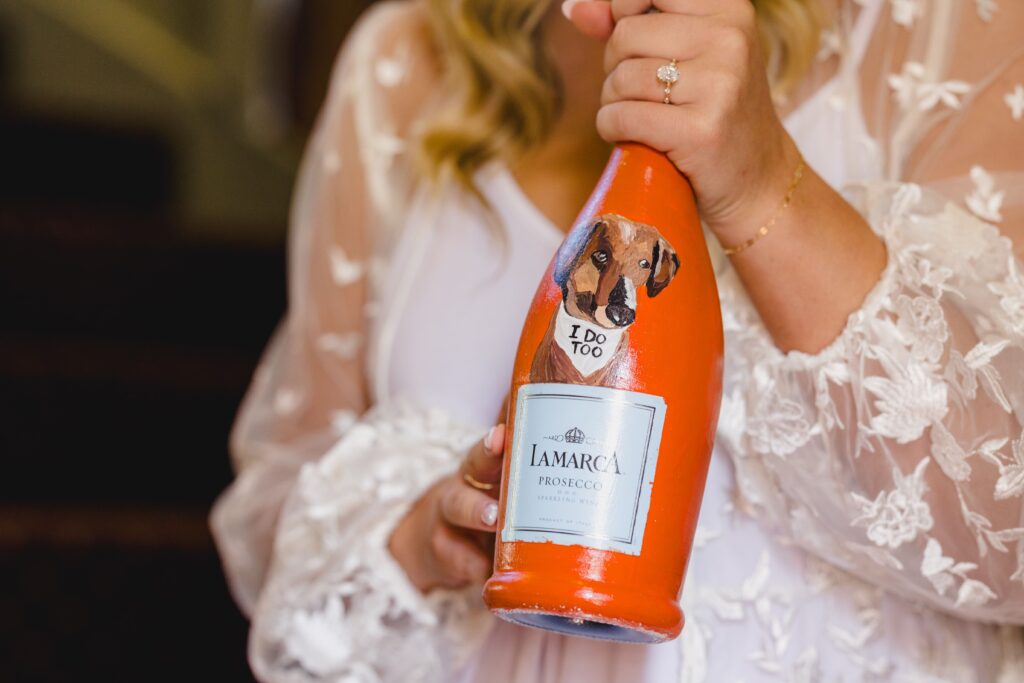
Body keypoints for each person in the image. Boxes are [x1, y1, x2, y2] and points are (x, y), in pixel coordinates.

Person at [211, 0, 1024, 680]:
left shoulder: (952, 29)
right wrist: (426, 540)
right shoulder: (404, 60)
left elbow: (1004, 529)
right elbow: (283, 507)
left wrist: (761, 180)